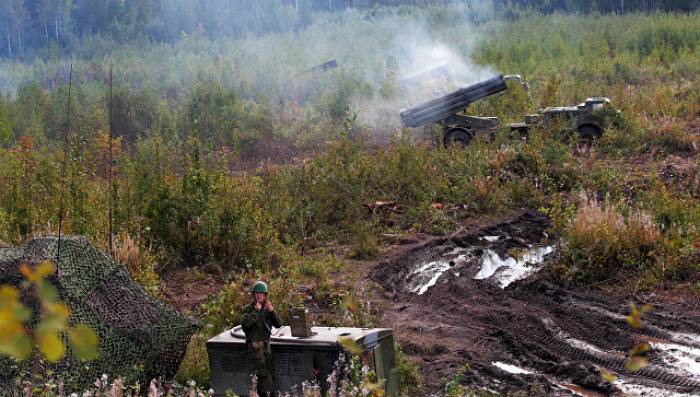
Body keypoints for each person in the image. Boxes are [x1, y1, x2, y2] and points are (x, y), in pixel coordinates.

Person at [240, 281, 282, 396]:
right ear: (253, 295)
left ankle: (267, 394)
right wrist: (256, 311)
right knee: (263, 374)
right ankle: (269, 394)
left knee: (269, 373)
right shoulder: (249, 309)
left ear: (265, 295)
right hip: (255, 348)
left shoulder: (267, 309)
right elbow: (246, 324)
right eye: (256, 293)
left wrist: (272, 311)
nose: (258, 295)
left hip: (266, 347)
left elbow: (279, 324)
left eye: (261, 293)